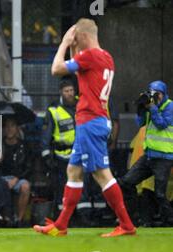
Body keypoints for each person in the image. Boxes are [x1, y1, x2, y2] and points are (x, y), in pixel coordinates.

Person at [34, 18, 136, 238]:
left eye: (76, 39)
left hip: (90, 122)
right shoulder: (106, 57)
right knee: (74, 171)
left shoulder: (89, 56)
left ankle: (127, 225)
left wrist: (63, 43)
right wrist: (73, 47)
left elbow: (56, 69)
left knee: (102, 175)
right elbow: (79, 71)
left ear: (84, 37)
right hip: (94, 121)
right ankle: (61, 226)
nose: (74, 43)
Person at [119, 81, 173, 226]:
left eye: (158, 94)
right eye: (152, 93)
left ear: (164, 94)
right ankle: (132, 218)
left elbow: (162, 124)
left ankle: (169, 221)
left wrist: (152, 108)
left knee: (160, 194)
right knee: (126, 182)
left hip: (164, 157)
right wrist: (141, 109)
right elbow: (140, 123)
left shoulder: (170, 106)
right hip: (149, 156)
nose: (156, 97)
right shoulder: (150, 106)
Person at [41, 80, 77, 213]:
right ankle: (64, 214)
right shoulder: (54, 110)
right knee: (62, 187)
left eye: (71, 90)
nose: (69, 94)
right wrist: (46, 156)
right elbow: (46, 135)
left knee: (81, 185)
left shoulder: (82, 105)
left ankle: (83, 214)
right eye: (66, 91)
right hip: (61, 156)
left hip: (80, 152)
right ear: (61, 92)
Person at [0, 118, 32, 226]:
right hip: (1, 178)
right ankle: (2, 218)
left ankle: (19, 220)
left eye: (12, 126)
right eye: (6, 126)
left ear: (17, 128)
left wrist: (16, 179)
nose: (9, 129)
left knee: (25, 186)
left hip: (17, 178)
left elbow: (27, 167)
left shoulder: (24, 145)